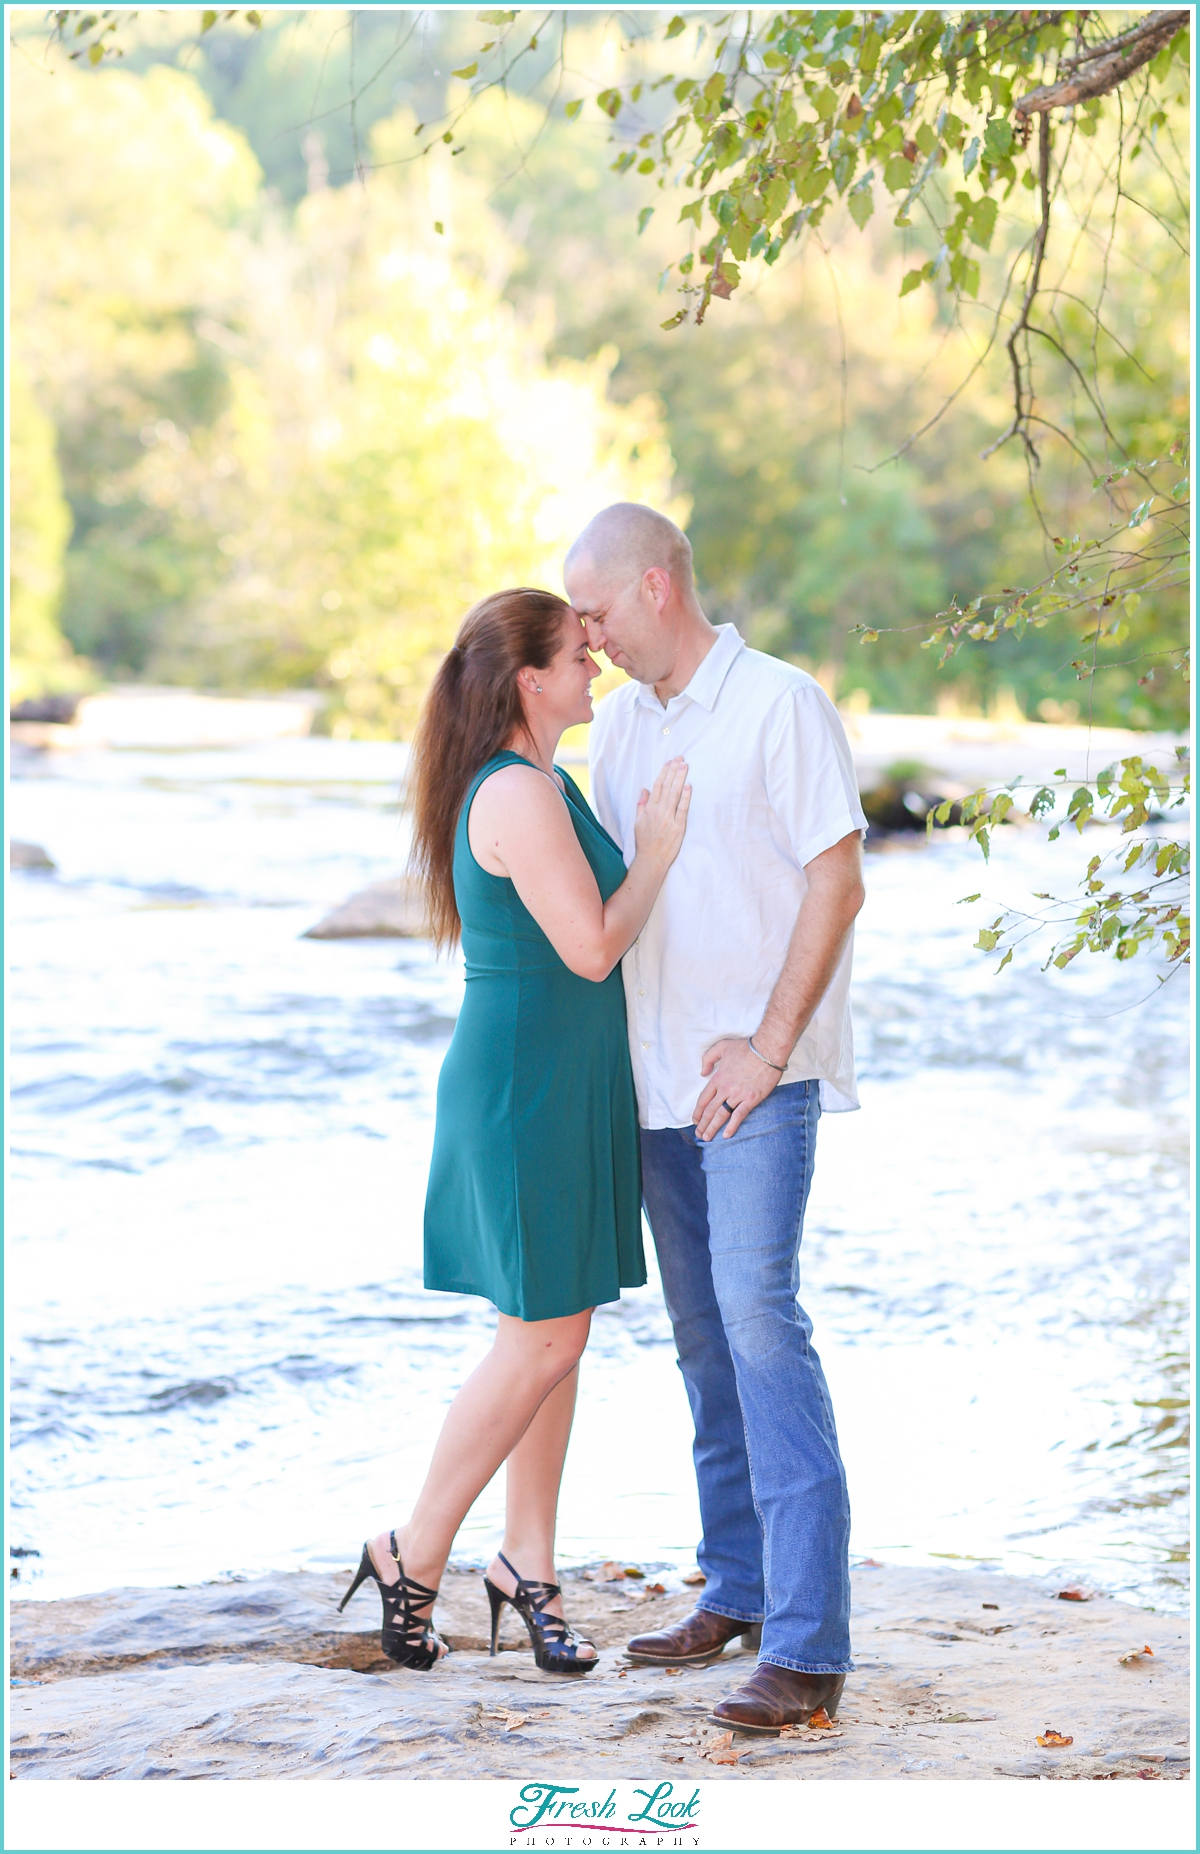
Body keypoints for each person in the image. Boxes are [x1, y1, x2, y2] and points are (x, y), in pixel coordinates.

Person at [338, 587, 690, 1675]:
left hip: (561, 1083)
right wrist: (660, 852)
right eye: (580, 659)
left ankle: (526, 1567)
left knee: (553, 1327)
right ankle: (414, 1548)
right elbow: (591, 949)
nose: (598, 671)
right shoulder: (517, 795)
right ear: (531, 680)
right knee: (546, 1336)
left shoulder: (544, 780)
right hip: (524, 1090)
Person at [565, 504, 867, 1735]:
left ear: (654, 586)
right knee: (701, 1342)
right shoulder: (621, 727)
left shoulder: (780, 703)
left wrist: (768, 1045)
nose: (585, 639)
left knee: (760, 1326)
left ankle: (807, 1647)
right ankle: (736, 1587)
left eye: (593, 612)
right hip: (650, 1088)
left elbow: (838, 881)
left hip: (759, 1082)